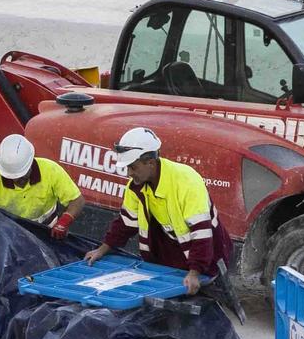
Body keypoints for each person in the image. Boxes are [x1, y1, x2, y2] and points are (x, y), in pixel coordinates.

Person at [85, 127, 234, 296]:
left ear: (150, 162)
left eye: (133, 167)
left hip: (209, 253)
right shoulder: (136, 187)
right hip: (173, 252)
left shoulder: (186, 181)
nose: (129, 173)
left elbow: (202, 234)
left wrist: (195, 273)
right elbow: (125, 224)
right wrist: (102, 250)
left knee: (200, 302)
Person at [0, 133, 85, 238]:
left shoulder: (51, 170)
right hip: (9, 235)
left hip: (46, 233)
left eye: (22, 176)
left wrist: (64, 221)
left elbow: (77, 200)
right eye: (12, 178)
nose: (18, 181)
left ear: (31, 164)